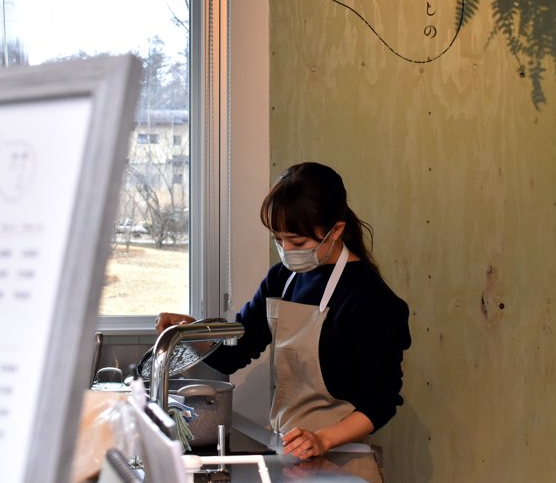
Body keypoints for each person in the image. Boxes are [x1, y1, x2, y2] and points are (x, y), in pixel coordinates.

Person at [156, 161, 411, 464]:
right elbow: (235, 352)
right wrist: (190, 331)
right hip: (288, 453)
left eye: (298, 241)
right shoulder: (282, 279)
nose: (288, 251)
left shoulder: (370, 299)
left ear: (336, 230)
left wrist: (322, 438)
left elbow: (380, 401)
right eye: (279, 239)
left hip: (340, 457)